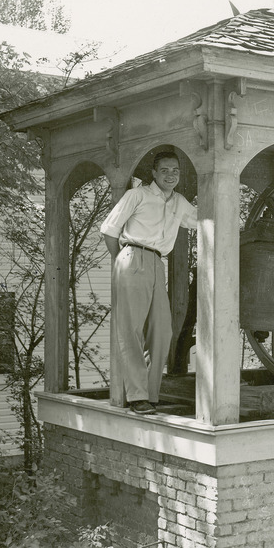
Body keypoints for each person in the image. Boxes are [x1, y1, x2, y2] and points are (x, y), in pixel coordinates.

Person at [100, 151, 197, 414]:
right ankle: (137, 397)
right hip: (133, 256)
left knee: (162, 331)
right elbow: (109, 229)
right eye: (165, 170)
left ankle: (150, 394)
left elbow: (203, 220)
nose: (170, 175)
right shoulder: (138, 195)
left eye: (175, 170)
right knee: (131, 330)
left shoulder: (179, 202)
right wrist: (123, 260)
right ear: (154, 173)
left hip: (157, 263)